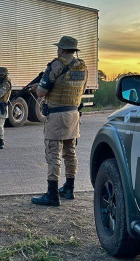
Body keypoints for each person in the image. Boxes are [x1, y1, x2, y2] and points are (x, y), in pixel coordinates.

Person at [30, 36, 88, 206]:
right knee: (70, 152)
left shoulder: (56, 64)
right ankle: (69, 188)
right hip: (73, 115)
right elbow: (81, 89)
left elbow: (41, 92)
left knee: (53, 154)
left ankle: (52, 194)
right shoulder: (83, 66)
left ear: (62, 49)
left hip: (56, 116)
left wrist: (37, 87)